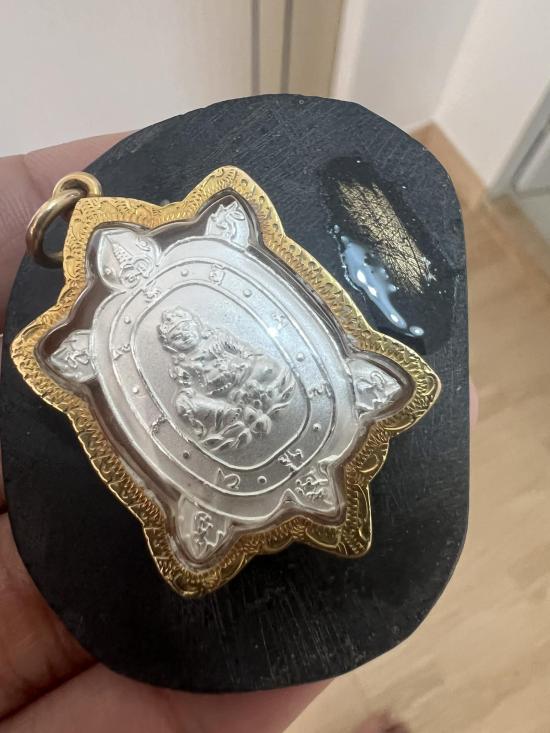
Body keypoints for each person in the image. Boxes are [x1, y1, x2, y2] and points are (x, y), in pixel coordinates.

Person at [0, 133, 478, 732]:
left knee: (272, 376)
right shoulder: (105, 349)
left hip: (281, 396)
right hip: (228, 445)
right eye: (173, 336)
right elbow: (190, 404)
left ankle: (346, 393)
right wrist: (210, 398)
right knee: (201, 413)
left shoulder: (211, 258)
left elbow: (251, 357)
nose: (181, 335)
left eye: (182, 329)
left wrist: (242, 374)